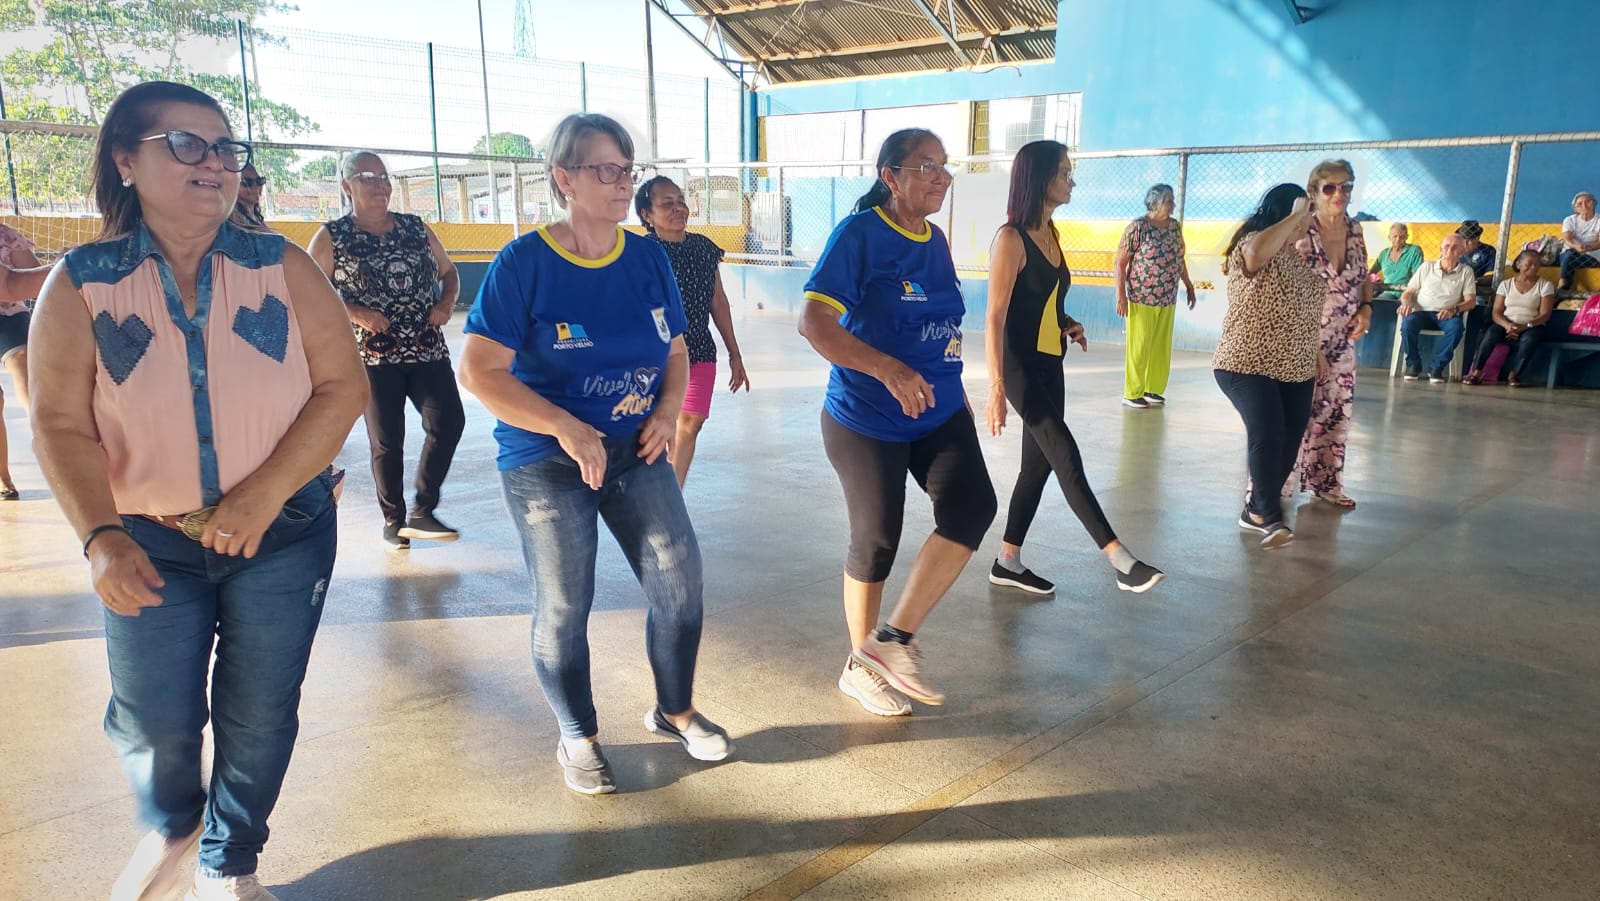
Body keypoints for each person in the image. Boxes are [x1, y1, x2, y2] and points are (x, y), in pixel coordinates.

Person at [27, 81, 367, 901]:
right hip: (149, 543)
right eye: (187, 144)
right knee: (152, 722)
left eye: (224, 147)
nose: (214, 163)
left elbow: (342, 386)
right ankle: (175, 822)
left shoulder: (280, 266)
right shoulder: (80, 284)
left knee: (260, 711)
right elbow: (60, 425)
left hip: (282, 533)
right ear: (125, 160)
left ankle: (227, 859)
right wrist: (101, 536)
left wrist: (263, 495)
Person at [458, 113, 730, 795]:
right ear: (564, 178)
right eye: (604, 169)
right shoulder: (524, 263)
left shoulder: (646, 259)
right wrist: (563, 426)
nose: (620, 182)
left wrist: (668, 410)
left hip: (636, 446)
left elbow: (675, 349)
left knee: (680, 581)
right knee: (563, 604)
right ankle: (577, 734)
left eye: (626, 168)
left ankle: (674, 708)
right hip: (545, 457)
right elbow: (481, 370)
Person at [798, 128, 997, 716]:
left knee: (972, 508)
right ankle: (858, 669)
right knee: (878, 536)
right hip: (866, 415)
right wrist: (887, 369)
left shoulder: (934, 239)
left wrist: (957, 396)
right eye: (925, 166)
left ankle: (888, 643)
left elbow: (941, 329)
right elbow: (814, 322)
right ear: (890, 176)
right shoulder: (859, 236)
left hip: (937, 409)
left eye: (944, 167)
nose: (940, 177)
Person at [985, 141, 1163, 596]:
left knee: (1038, 465)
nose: (1072, 180)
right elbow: (996, 315)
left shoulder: (1052, 234)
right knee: (1065, 453)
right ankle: (1119, 559)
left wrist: (1067, 324)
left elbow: (1042, 300)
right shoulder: (1010, 238)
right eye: (1064, 172)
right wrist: (995, 386)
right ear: (1040, 178)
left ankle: (1007, 561)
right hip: (1020, 368)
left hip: (1050, 362)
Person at [309, 151, 464, 548]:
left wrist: (445, 304)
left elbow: (449, 273)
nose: (380, 185)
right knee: (387, 440)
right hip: (372, 359)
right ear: (347, 187)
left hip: (428, 350)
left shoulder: (416, 228)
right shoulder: (332, 236)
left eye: (384, 177)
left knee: (449, 424)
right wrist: (356, 312)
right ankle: (394, 520)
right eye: (367, 177)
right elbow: (309, 294)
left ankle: (422, 510)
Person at [1213, 184, 1324, 550]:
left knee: (1289, 441)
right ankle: (1270, 517)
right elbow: (1257, 252)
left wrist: (1316, 351)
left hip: (1295, 367)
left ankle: (1255, 511)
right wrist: (1295, 214)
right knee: (1268, 430)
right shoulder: (1253, 244)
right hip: (1245, 361)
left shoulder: (1298, 258)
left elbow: (1304, 313)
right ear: (1285, 211)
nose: (1308, 221)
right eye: (1304, 213)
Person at [634, 175, 749, 486]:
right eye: (667, 204)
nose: (678, 209)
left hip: (699, 348)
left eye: (681, 201)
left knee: (692, 420)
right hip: (654, 355)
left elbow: (718, 299)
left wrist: (734, 353)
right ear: (647, 214)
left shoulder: (703, 248)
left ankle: (673, 493)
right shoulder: (639, 253)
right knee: (656, 426)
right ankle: (651, 494)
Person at [1293, 160, 1371, 510]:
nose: (1339, 194)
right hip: (1299, 334)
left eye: (1346, 187)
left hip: (1343, 337)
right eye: (1330, 187)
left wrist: (1366, 309)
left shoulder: (1355, 230)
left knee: (1336, 411)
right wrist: (1309, 344)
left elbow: (1364, 278)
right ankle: (1269, 492)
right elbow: (1286, 291)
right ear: (1314, 191)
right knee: (1293, 414)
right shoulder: (1300, 230)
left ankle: (1326, 482)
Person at [1114, 183, 1196, 408]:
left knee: (1161, 346)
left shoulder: (1174, 227)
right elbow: (1121, 263)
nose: (1173, 205)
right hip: (1142, 297)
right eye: (1169, 201)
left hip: (1167, 297)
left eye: (1172, 201)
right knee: (1139, 346)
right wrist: (1120, 295)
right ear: (1155, 203)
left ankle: (1153, 389)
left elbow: (1179, 258)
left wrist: (1188, 285)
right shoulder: (1138, 227)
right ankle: (1132, 392)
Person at [0, 223, 49, 501]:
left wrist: (67, 266)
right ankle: (4, 476)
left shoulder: (7, 236)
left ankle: (45, 432)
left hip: (8, 316)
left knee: (21, 362)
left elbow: (34, 282)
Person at [1463, 249, 1556, 387]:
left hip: (1531, 326)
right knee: (1490, 334)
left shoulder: (1545, 286)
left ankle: (1514, 375)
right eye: (1529, 264)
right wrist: (1507, 326)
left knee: (1529, 339)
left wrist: (1525, 326)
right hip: (1506, 324)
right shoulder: (1505, 284)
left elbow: (1545, 315)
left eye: (1537, 264)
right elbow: (1497, 312)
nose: (1534, 267)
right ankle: (1476, 372)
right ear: (1518, 264)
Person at [1398, 234, 1478, 383]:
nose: (1450, 250)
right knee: (1408, 324)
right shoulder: (1427, 266)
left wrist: (1454, 309)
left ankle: (1437, 367)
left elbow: (1471, 301)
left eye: (1455, 247)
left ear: (1462, 252)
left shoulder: (1466, 272)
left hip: (1447, 315)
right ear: (1440, 249)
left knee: (1456, 328)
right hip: (1422, 313)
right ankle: (1413, 365)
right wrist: (1406, 303)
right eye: (1446, 246)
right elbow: (1408, 292)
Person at [1558, 191, 1600, 291]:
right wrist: (1576, 246)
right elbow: (1567, 239)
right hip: (1570, 252)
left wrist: (1588, 247)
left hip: (1591, 256)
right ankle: (1564, 287)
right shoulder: (1570, 220)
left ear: (1594, 203)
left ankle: (1563, 286)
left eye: (1588, 202)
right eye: (1579, 204)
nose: (1584, 205)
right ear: (1576, 208)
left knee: (1570, 257)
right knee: (1570, 254)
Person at [1368, 223, 1423, 296]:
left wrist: (1408, 297)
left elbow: (1416, 278)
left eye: (1402, 236)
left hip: (1407, 293)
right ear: (1389, 237)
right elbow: (1371, 272)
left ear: (1407, 237)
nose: (1398, 239)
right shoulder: (1384, 254)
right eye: (1395, 236)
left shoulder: (1414, 251)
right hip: (1388, 292)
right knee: (1379, 302)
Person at [1457, 220, 1496, 285]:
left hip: (1477, 287)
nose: (1465, 243)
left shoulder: (1488, 251)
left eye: (1469, 240)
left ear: (1477, 238)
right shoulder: (1453, 248)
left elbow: (1491, 277)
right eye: (1463, 239)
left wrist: (1471, 282)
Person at [230, 163, 267, 230]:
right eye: (247, 182)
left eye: (260, 181)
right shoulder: (233, 223)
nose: (256, 187)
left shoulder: (256, 217)